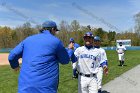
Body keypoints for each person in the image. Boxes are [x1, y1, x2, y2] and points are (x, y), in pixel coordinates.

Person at [8, 20, 72, 93]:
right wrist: (69, 50)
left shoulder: (28, 39)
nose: (55, 33)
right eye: (55, 31)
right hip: (45, 89)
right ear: (52, 29)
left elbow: (12, 56)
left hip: (25, 88)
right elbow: (65, 60)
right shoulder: (55, 41)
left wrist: (15, 66)